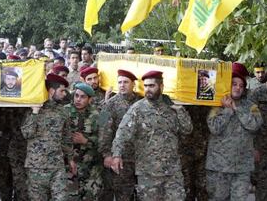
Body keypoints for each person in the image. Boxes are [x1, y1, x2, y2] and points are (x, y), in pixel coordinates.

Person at [111, 70, 193, 200]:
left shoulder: (173, 107)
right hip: (148, 172)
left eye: (152, 86)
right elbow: (122, 133)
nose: (148, 89)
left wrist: (181, 111)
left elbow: (187, 130)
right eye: (146, 86)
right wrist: (116, 155)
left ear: (161, 87)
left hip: (172, 171)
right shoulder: (137, 109)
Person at [206, 62, 262, 200]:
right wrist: (227, 110)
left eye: (241, 85)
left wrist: (236, 108)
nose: (238, 88)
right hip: (219, 167)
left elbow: (255, 124)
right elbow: (214, 128)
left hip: (242, 167)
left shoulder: (252, 106)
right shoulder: (216, 105)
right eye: (234, 84)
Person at [21, 73, 72, 200]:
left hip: (57, 166)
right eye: (62, 91)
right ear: (51, 91)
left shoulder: (63, 111)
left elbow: (66, 137)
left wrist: (70, 158)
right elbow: (26, 134)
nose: (64, 94)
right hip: (36, 167)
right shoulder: (31, 110)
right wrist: (34, 112)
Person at [99, 70, 141, 201]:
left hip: (141, 158)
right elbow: (102, 129)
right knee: (123, 194)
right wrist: (106, 154)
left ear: (133, 84)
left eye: (126, 82)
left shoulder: (142, 101)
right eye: (120, 82)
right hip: (121, 158)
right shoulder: (109, 104)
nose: (122, 85)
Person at [66, 83, 103, 200]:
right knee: (70, 197)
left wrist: (86, 140)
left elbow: (105, 140)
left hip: (91, 167)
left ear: (90, 99)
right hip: (70, 166)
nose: (78, 99)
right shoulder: (63, 112)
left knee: (90, 197)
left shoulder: (100, 115)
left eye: (83, 97)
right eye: (76, 95)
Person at [249, 74, 267, 201]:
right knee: (262, 184)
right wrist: (252, 147)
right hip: (261, 147)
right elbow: (249, 122)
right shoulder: (257, 94)